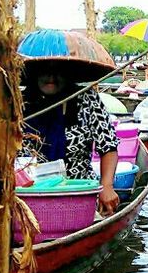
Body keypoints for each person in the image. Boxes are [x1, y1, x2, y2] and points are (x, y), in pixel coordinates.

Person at [21, 63, 120, 213]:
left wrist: (106, 186)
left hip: (78, 195)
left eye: (57, 72)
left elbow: (108, 145)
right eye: (45, 72)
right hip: (27, 197)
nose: (51, 78)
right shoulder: (18, 103)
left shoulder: (86, 98)